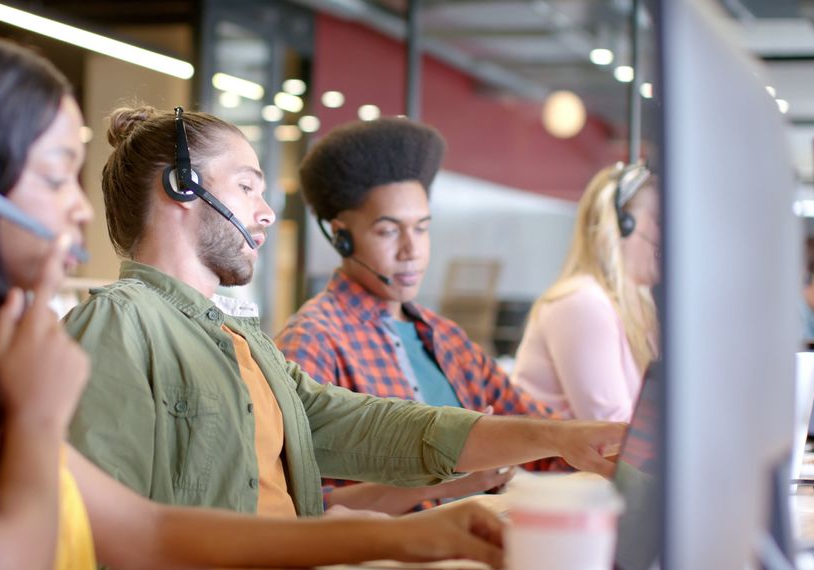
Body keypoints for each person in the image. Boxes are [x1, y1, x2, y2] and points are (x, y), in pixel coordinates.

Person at [0, 35, 528, 570]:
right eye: (58, 173)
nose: (79, 209)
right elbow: (0, 560)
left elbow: (148, 532)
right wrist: (34, 416)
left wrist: (413, 538)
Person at [64, 105, 626, 522]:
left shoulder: (244, 340)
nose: (263, 214)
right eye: (246, 187)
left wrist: (559, 436)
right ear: (182, 186)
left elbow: (371, 425)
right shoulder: (119, 323)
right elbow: (101, 530)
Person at [275, 118, 561, 514]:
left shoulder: (444, 337)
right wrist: (451, 477)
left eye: (422, 229)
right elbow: (291, 503)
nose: (412, 251)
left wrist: (593, 444)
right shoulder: (313, 340)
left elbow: (539, 433)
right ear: (342, 236)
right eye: (389, 231)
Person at [510, 162, 661, 422]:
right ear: (623, 225)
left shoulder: (639, 303)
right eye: (659, 219)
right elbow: (611, 431)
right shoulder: (583, 303)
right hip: (565, 463)